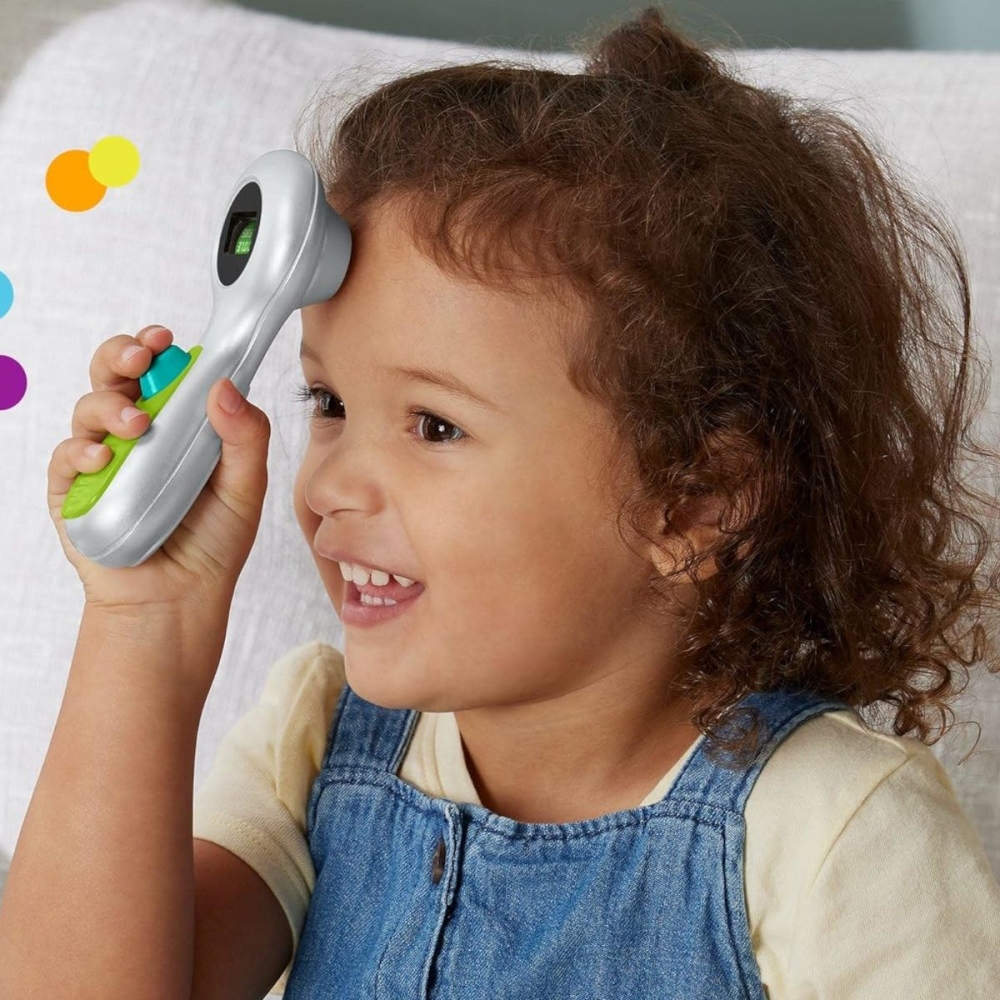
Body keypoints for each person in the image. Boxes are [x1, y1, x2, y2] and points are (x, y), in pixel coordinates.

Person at [3, 5, 1000, 998]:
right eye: (330, 402)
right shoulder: (312, 743)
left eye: (434, 426)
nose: (330, 483)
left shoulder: (832, 832)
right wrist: (143, 625)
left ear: (694, 503)